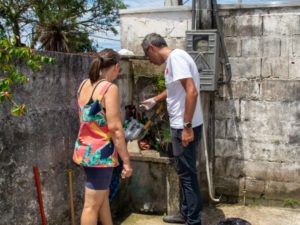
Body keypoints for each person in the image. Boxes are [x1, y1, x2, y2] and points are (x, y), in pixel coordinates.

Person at [140, 33, 203, 225]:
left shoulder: (175, 58)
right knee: (185, 172)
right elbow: (176, 88)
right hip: (183, 125)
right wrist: (155, 100)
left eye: (148, 56)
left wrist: (187, 127)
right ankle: (185, 214)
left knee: (187, 175)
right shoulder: (174, 60)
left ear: (152, 47)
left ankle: (193, 220)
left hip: (183, 126)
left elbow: (191, 91)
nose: (150, 61)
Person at [72, 48, 133, 225]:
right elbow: (115, 128)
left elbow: (87, 120)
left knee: (102, 197)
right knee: (91, 206)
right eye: (118, 68)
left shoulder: (84, 85)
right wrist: (126, 161)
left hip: (85, 150)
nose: (118, 71)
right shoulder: (109, 88)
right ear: (115, 66)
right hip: (100, 154)